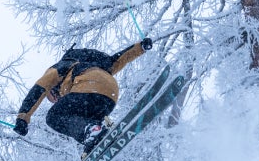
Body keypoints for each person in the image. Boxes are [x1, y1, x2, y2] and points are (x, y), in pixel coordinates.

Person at [14, 37, 154, 154]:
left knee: (54, 117)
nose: (57, 100)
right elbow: (120, 58)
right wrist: (141, 47)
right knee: (82, 119)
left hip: (88, 88)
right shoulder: (96, 64)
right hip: (109, 96)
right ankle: (95, 137)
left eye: (54, 97)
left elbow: (38, 89)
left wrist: (23, 118)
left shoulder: (60, 68)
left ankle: (93, 131)